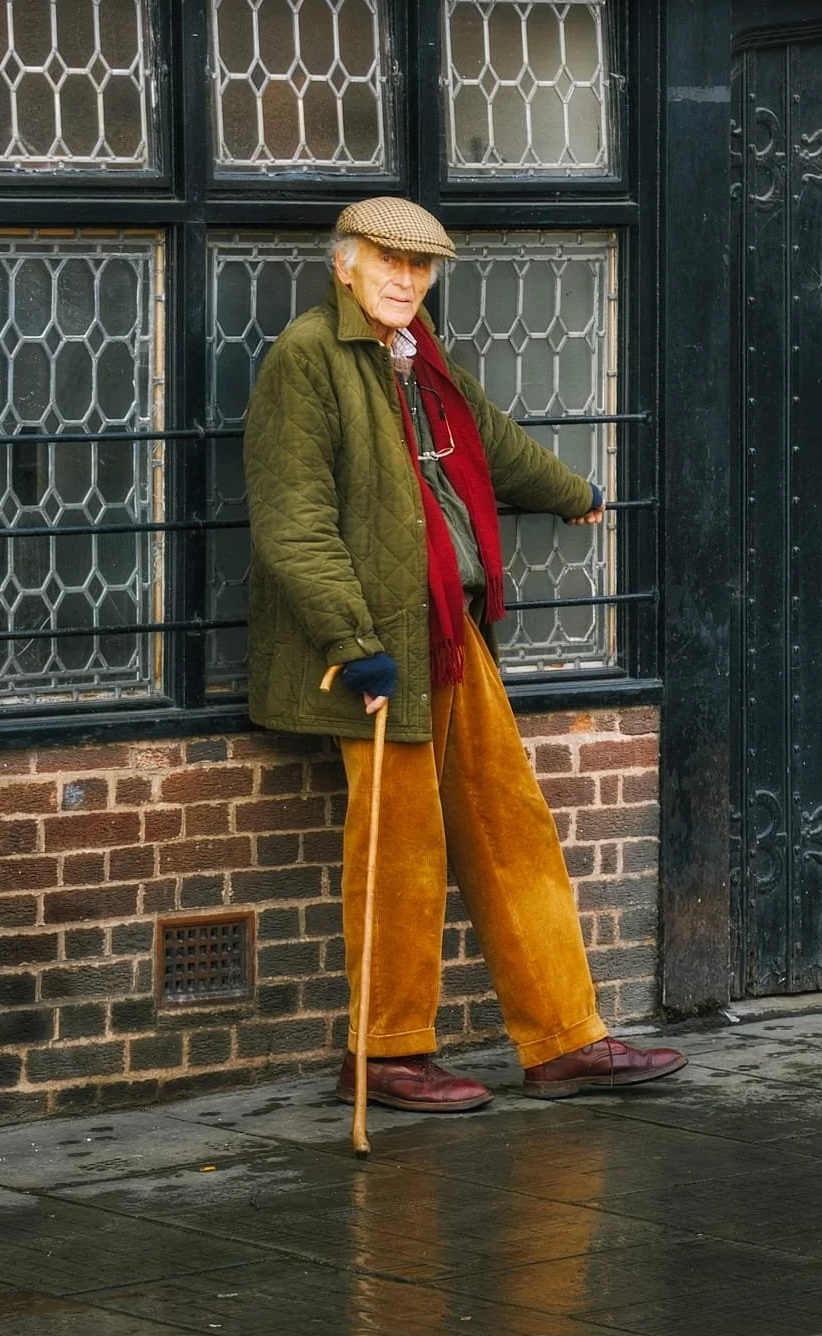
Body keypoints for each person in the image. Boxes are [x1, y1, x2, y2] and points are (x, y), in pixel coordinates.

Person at [243, 197, 685, 1112]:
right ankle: (385, 1055)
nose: (405, 279)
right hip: (373, 654)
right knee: (399, 854)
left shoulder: (418, 354)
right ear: (344, 265)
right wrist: (354, 647)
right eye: (387, 260)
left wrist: (571, 492)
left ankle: (564, 1041)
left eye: (420, 265)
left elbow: (488, 443)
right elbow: (294, 524)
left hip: (451, 633)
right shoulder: (307, 359)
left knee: (510, 828)